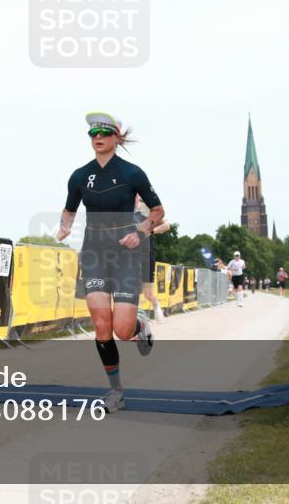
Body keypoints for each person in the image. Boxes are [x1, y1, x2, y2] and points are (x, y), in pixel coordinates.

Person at [57, 112, 164, 413]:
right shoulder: (79, 176)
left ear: (117, 138)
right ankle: (116, 391)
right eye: (93, 134)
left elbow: (158, 211)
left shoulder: (133, 173)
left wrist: (141, 232)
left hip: (125, 255)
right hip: (94, 253)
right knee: (102, 326)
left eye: (104, 133)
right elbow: (69, 209)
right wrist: (65, 227)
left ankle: (139, 324)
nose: (98, 138)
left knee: (122, 331)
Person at [135, 195, 170, 323]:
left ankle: (156, 305)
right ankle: (134, 317)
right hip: (129, 256)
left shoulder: (147, 209)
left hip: (146, 255)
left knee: (147, 294)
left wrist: (152, 231)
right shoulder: (123, 209)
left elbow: (166, 225)